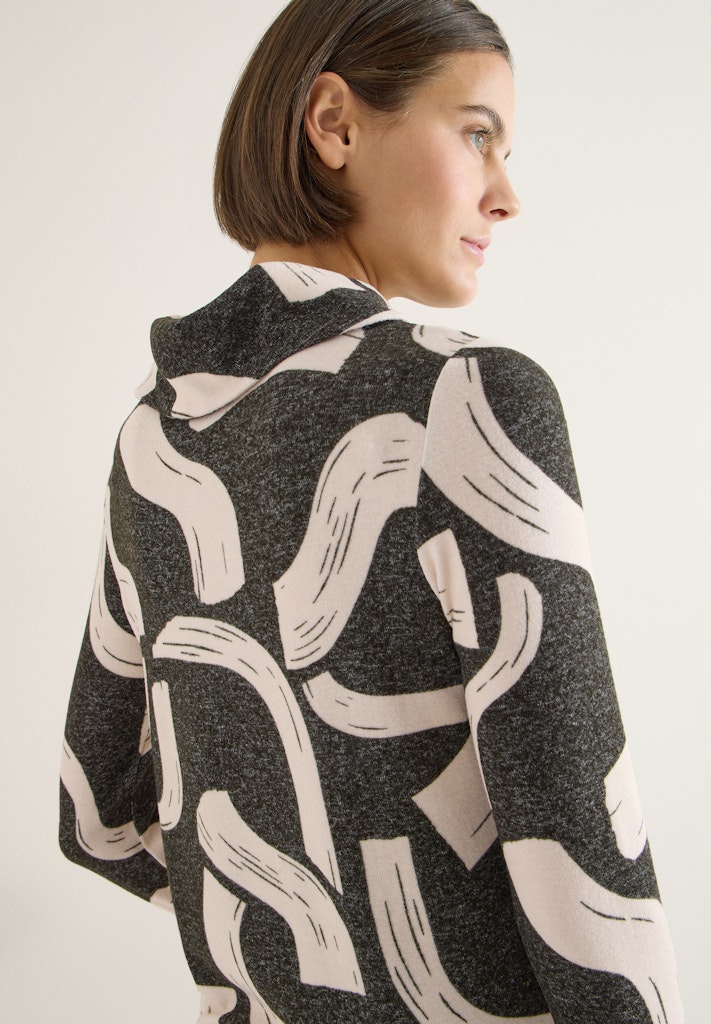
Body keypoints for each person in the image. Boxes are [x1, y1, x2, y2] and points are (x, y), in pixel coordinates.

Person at [59, 1, 684, 1021]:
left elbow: (98, 815)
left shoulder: (154, 435)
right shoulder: (468, 400)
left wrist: (290, 932)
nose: (506, 195)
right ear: (335, 123)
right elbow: (578, 853)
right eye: (477, 134)